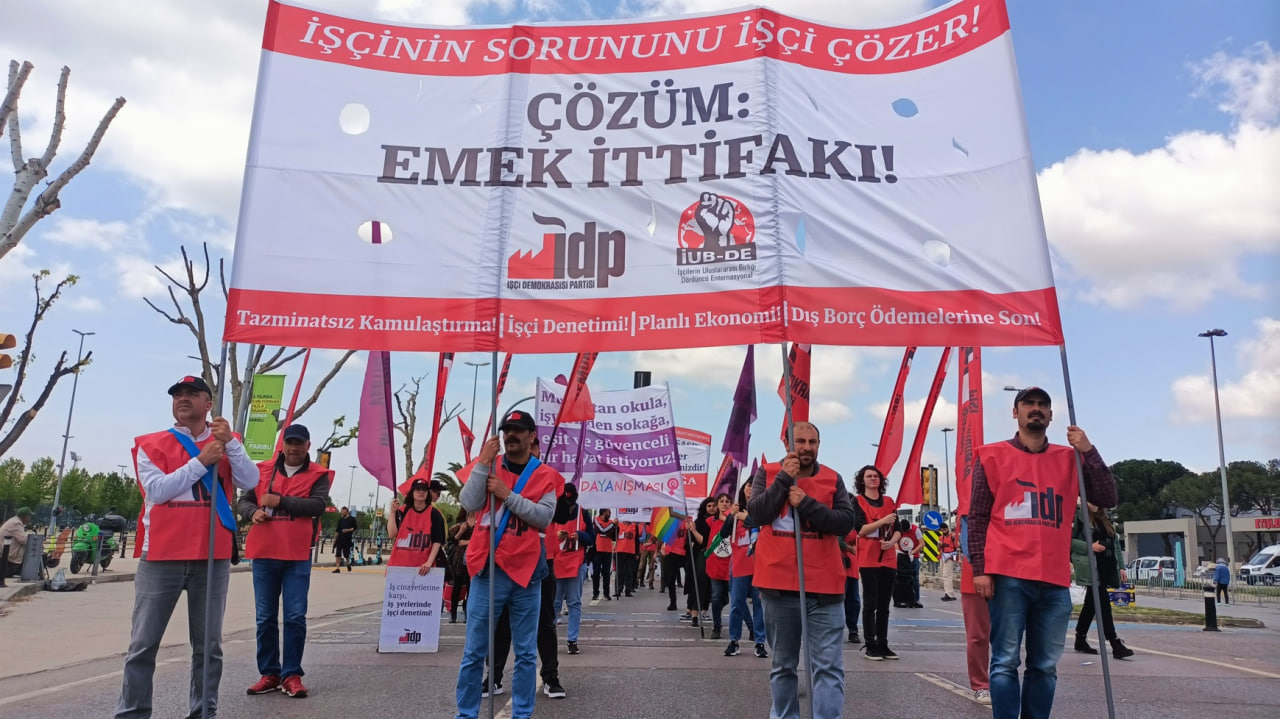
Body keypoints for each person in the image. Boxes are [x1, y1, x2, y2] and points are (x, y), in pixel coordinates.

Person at [968, 386, 1117, 719]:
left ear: (1050, 415)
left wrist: (1089, 451)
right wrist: (981, 569)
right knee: (1005, 661)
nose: (1035, 409)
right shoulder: (991, 456)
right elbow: (977, 516)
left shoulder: (1070, 458)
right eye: (1028, 404)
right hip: (1007, 575)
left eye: (1042, 405)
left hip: (1053, 578)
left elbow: (1107, 497)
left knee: (1045, 666)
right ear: (1015, 412)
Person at [117, 375, 259, 719]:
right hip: (161, 555)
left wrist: (230, 444)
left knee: (208, 646)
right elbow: (158, 491)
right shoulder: (152, 444)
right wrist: (202, 461)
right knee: (143, 644)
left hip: (212, 556)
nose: (182, 398)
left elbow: (250, 480)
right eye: (177, 394)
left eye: (192, 394)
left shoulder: (227, 442)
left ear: (208, 404)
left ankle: (203, 711)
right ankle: (132, 713)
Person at [454, 410, 558, 719]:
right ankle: (466, 714)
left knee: (525, 653)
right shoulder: (488, 466)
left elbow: (543, 517)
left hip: (527, 575)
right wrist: (482, 463)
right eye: (506, 429)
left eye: (517, 430)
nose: (510, 434)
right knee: (474, 651)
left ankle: (521, 715)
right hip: (489, 571)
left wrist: (507, 495)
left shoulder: (545, 475)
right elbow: (469, 502)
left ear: (531, 436)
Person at [748, 422, 856, 719]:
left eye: (813, 441)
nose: (807, 447)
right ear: (786, 443)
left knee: (828, 667)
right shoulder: (768, 473)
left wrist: (806, 503)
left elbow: (845, 523)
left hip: (825, 588)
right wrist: (784, 479)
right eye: (801, 441)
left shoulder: (833, 478)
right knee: (783, 665)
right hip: (778, 586)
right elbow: (757, 514)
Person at [239, 423, 333, 699]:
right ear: (282, 445)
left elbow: (317, 505)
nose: (293, 448)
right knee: (265, 617)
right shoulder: (261, 470)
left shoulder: (318, 474)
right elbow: (243, 501)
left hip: (296, 555)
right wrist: (253, 512)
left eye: (298, 443)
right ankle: (270, 673)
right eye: (289, 442)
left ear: (308, 446)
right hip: (265, 553)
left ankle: (291, 675)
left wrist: (279, 501)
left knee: (294, 616)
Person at [1071, 502, 1133, 659]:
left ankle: (1080, 638)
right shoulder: (1079, 517)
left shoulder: (1106, 519)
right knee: (1103, 602)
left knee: (1091, 604)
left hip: (1106, 567)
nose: (1096, 503)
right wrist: (1089, 546)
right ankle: (1114, 642)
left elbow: (1115, 544)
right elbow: (1069, 541)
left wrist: (1121, 567)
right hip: (1091, 567)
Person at [852, 464, 901, 660]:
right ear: (862, 481)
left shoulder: (889, 502)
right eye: (869, 476)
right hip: (868, 557)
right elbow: (860, 529)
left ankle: (883, 643)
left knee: (884, 605)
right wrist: (882, 521)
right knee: (870, 603)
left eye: (876, 476)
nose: (873, 479)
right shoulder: (857, 502)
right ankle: (870, 644)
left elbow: (898, 529)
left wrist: (892, 542)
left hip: (888, 558)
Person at [724, 482, 767, 658]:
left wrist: (746, 518)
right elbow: (723, 533)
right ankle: (734, 641)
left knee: (759, 605)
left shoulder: (763, 510)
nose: (750, 489)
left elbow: (764, 529)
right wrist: (732, 516)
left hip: (759, 565)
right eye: (748, 485)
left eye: (754, 486)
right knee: (736, 604)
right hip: (740, 565)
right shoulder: (735, 510)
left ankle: (760, 642)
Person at [551, 485, 589, 654]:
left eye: (572, 504)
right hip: (557, 563)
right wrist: (556, 536)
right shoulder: (552, 511)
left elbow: (592, 538)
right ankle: (549, 638)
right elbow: (541, 533)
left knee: (574, 602)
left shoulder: (583, 514)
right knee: (554, 602)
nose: (570, 508)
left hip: (576, 563)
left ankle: (572, 640)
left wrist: (581, 535)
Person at [387, 477, 446, 574]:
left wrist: (429, 562)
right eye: (418, 489)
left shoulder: (434, 514)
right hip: (399, 566)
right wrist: (393, 512)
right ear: (412, 492)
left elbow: (437, 541)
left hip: (424, 567)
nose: (421, 492)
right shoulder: (403, 511)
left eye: (424, 490)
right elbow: (392, 534)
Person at [703, 494, 733, 639]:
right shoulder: (711, 521)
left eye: (727, 501)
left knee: (729, 598)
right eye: (721, 501)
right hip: (715, 563)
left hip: (731, 565)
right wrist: (692, 528)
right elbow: (701, 532)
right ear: (717, 505)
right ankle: (717, 627)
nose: (724, 503)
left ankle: (751, 627)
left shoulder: (734, 521)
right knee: (716, 597)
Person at [448, 509, 476, 623]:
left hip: (473, 557)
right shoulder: (461, 523)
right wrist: (461, 531)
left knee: (471, 587)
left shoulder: (481, 521)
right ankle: (453, 615)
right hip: (459, 558)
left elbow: (485, 539)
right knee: (457, 586)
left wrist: (468, 542)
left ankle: (467, 614)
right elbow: (452, 541)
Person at [837, 528, 861, 645]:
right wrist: (851, 548)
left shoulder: (858, 527)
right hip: (843, 567)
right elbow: (838, 541)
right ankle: (844, 630)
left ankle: (853, 630)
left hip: (853, 568)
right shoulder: (846, 525)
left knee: (854, 602)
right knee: (843, 601)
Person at [591, 509, 615, 601]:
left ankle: (606, 593)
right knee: (596, 573)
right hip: (597, 550)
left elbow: (614, 537)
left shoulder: (611, 522)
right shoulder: (596, 520)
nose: (610, 513)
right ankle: (595, 593)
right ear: (604, 512)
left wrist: (616, 528)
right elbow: (602, 530)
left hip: (607, 550)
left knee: (606, 573)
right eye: (608, 512)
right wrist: (612, 525)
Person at [1, 507, 33, 577]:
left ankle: (19, 570)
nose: (30, 518)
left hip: (4, 551)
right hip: (8, 554)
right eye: (29, 516)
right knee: (29, 547)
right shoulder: (17, 523)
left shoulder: (14, 520)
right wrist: (33, 537)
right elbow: (23, 539)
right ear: (25, 516)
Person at [614, 519, 638, 597]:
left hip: (630, 552)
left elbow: (636, 540)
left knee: (629, 572)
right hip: (619, 551)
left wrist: (637, 553)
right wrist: (614, 525)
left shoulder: (634, 526)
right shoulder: (618, 525)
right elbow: (613, 536)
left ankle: (628, 590)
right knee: (619, 572)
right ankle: (618, 589)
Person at [332, 506, 357, 573]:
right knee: (338, 553)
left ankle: (348, 563)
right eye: (342, 512)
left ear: (347, 512)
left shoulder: (352, 519)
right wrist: (335, 538)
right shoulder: (340, 520)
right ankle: (337, 568)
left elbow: (354, 528)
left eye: (344, 512)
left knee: (346, 554)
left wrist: (347, 530)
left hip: (347, 539)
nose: (343, 513)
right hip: (340, 539)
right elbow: (337, 530)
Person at [938, 524, 958, 601]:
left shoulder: (952, 537)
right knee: (944, 575)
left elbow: (957, 546)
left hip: (949, 557)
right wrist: (939, 545)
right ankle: (948, 592)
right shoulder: (941, 538)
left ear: (947, 529)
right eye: (942, 530)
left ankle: (949, 594)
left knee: (947, 576)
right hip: (942, 557)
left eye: (944, 530)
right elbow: (938, 549)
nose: (943, 531)